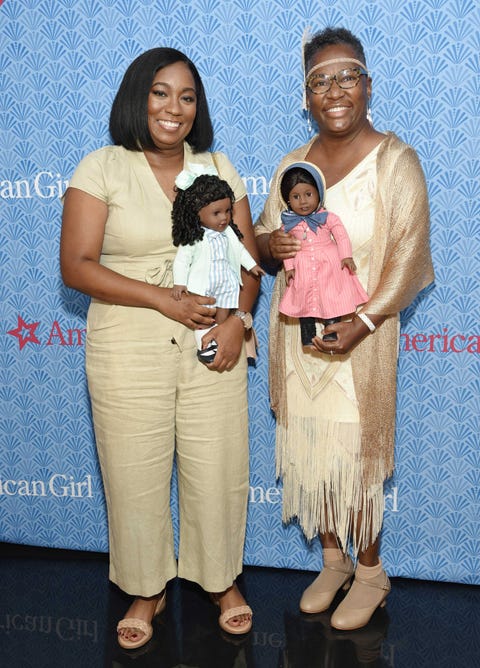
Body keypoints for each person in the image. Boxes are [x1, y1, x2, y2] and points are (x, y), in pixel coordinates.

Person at [60, 47, 260, 649]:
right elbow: (76, 265)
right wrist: (162, 299)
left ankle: (221, 581)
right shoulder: (101, 167)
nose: (174, 107)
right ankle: (146, 588)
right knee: (134, 474)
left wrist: (237, 320)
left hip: (212, 343)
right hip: (128, 344)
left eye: (187, 96)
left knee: (219, 467)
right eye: (160, 92)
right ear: (137, 98)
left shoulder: (218, 164)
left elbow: (249, 264)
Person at [255, 27, 434, 631]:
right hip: (298, 339)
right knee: (309, 449)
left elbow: (409, 259)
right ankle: (333, 562)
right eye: (319, 80)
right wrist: (270, 242)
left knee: (355, 458)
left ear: (368, 86)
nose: (334, 90)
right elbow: (261, 236)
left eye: (346, 76)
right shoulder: (292, 165)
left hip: (362, 342)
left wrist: (361, 321)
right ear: (306, 96)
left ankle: (372, 572)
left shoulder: (397, 161)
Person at [172, 172, 264, 363]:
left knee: (223, 311)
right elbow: (182, 260)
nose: (224, 218)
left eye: (228, 211)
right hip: (204, 285)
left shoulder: (229, 233)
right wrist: (179, 283)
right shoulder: (195, 237)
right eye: (216, 213)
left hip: (226, 282)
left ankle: (219, 337)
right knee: (203, 317)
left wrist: (252, 265)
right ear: (198, 212)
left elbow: (240, 251)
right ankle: (203, 344)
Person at [278, 161, 368, 345]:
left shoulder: (328, 217)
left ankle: (331, 330)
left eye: (308, 194)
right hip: (302, 265)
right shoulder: (288, 224)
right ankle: (307, 335)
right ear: (288, 200)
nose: (303, 201)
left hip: (329, 263)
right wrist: (289, 267)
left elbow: (341, 236)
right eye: (296, 197)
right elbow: (287, 248)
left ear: (319, 192)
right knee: (303, 299)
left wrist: (346, 256)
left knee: (330, 297)